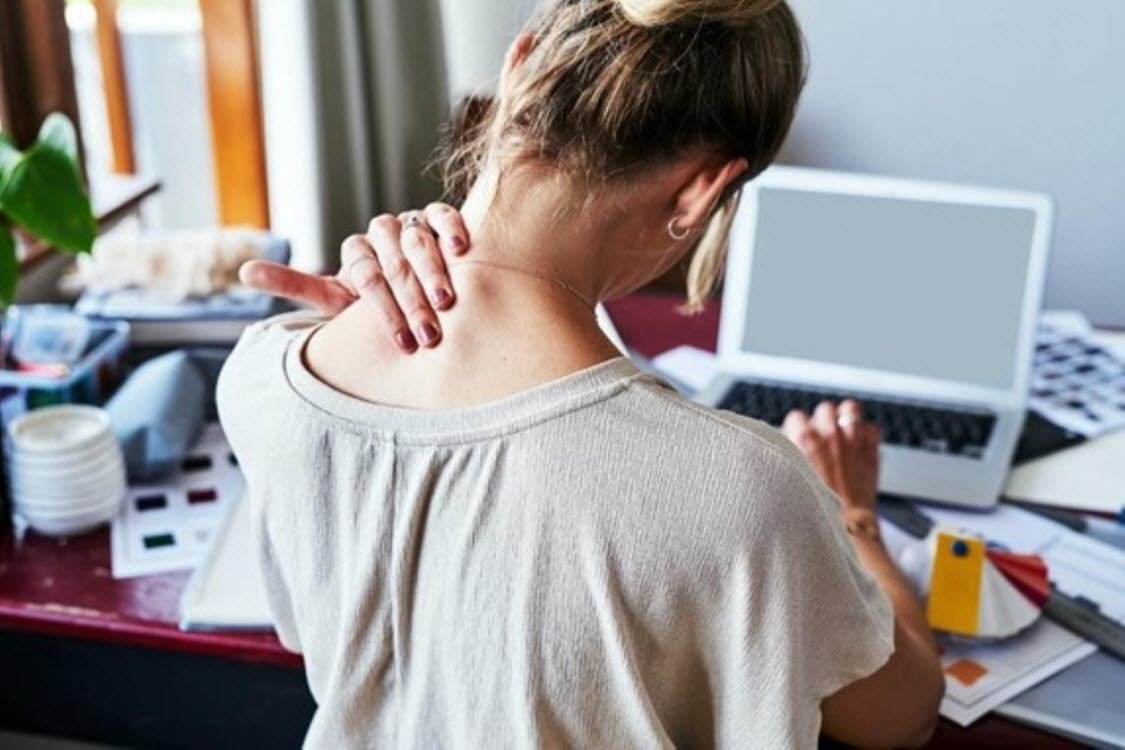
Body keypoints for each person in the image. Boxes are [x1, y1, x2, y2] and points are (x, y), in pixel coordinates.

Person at [218, 0, 945, 747]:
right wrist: (852, 515)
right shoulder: (747, 491)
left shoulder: (262, 377)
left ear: (515, 66)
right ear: (701, 191)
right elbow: (900, 716)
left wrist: (345, 319)